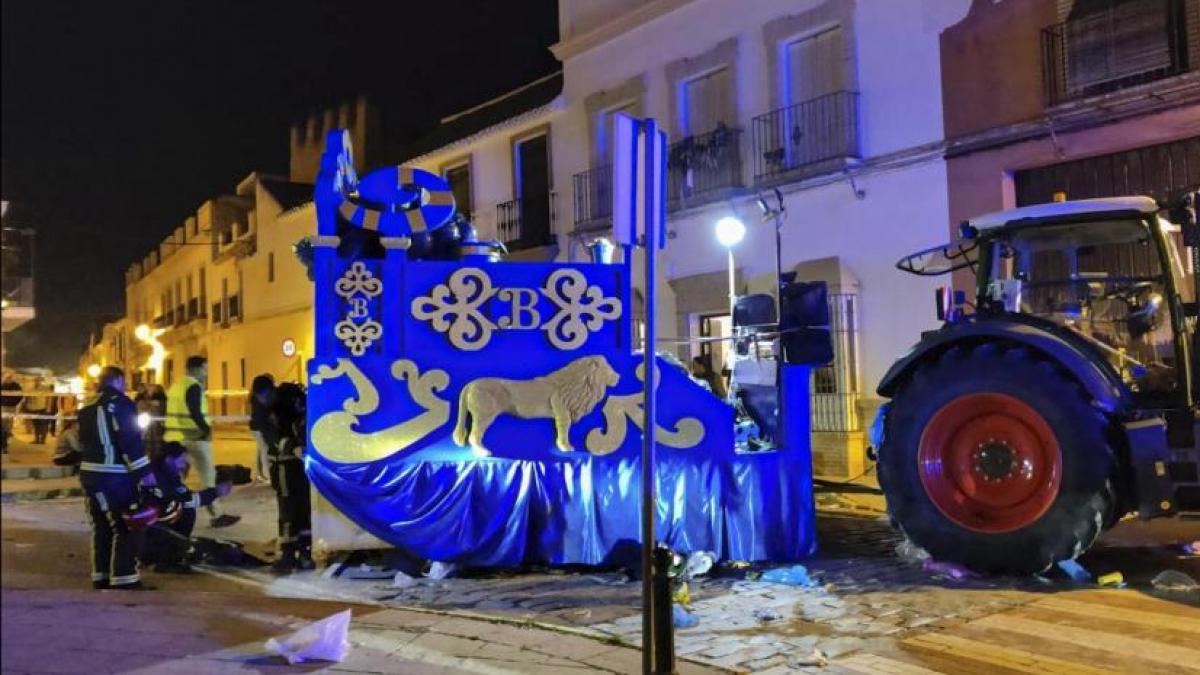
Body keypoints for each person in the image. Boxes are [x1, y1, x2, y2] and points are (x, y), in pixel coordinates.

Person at [77, 366, 155, 590]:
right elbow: (130, 440)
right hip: (113, 474)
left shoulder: (87, 405)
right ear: (119, 380)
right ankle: (124, 577)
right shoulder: (121, 403)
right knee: (126, 524)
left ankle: (100, 575)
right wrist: (144, 472)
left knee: (101, 526)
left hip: (90, 473)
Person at [164, 356, 239, 528]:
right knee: (208, 477)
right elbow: (195, 413)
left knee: (176, 479)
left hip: (176, 439)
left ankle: (169, 511)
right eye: (204, 369)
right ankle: (217, 515)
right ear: (194, 369)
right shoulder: (193, 387)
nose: (206, 374)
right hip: (196, 438)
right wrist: (206, 430)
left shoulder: (176, 386)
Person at [139, 441, 233, 573]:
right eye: (181, 461)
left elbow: (184, 496)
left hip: (148, 525)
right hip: (147, 529)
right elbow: (187, 500)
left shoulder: (163, 471)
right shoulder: (160, 476)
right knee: (185, 511)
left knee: (182, 511)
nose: (184, 465)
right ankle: (165, 559)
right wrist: (215, 492)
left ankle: (165, 553)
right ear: (169, 459)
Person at [269, 382, 314, 572]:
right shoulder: (294, 417)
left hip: (291, 470)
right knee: (298, 511)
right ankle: (299, 553)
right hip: (293, 470)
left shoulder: (289, 417)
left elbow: (280, 443)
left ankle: (293, 554)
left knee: (293, 511)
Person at [248, 374, 276, 484]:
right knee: (265, 451)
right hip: (260, 427)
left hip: (255, 427)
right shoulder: (261, 397)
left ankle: (261, 474)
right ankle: (268, 475)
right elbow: (263, 414)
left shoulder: (254, 396)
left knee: (261, 451)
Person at [20, 376, 53, 444]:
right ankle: (37, 439)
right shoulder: (31, 389)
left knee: (43, 425)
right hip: (33, 409)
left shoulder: (45, 389)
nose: (37, 382)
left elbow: (49, 399)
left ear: (41, 381)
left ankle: (43, 440)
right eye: (36, 381)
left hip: (42, 409)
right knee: (36, 425)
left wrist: (48, 408)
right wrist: (27, 407)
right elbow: (27, 398)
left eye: (39, 381)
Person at [1, 370, 23, 452]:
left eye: (9, 377)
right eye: (7, 377)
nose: (7, 378)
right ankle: (4, 446)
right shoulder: (4, 385)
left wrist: (14, 403)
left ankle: (4, 446)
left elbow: (20, 396)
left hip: (9, 407)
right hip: (5, 407)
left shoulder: (16, 386)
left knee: (7, 427)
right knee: (5, 427)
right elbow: (20, 397)